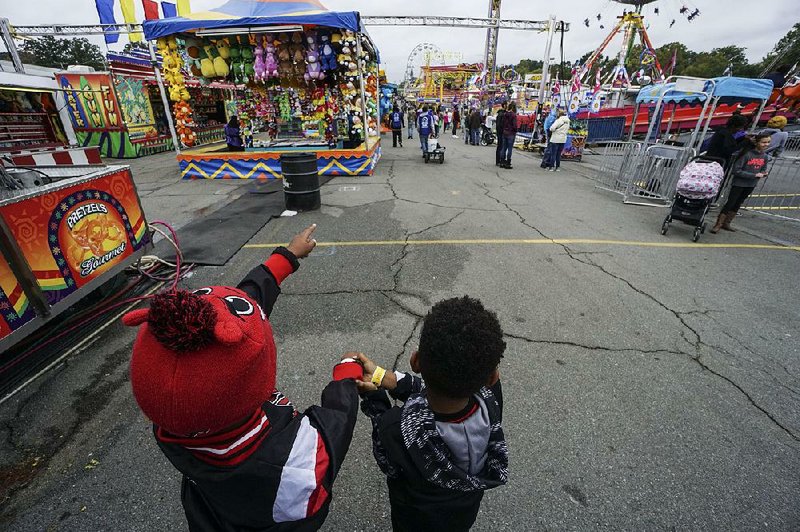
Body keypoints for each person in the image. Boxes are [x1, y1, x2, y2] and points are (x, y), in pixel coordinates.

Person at [124, 224, 365, 532]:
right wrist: (346, 373)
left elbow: (233, 314)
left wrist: (285, 258)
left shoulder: (173, 422)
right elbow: (336, 420)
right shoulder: (298, 455)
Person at [354, 296, 508, 532]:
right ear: (491, 378)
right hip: (464, 512)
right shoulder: (491, 400)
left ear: (415, 362)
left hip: (415, 518)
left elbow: (388, 463)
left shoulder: (395, 428)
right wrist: (382, 377)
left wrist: (374, 397)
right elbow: (438, 392)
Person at [711, 133, 772, 233]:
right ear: (757, 142)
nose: (766, 144)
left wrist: (764, 173)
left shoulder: (764, 156)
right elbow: (736, 170)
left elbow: (763, 168)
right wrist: (754, 175)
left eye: (768, 142)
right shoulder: (747, 154)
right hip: (739, 183)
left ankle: (727, 223)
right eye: (763, 142)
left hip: (751, 184)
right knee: (730, 203)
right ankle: (718, 224)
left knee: (738, 203)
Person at [499, 103, 517, 169]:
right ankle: (508, 163)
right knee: (509, 149)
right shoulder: (513, 115)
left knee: (504, 148)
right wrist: (515, 130)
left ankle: (502, 162)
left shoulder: (505, 114)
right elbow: (515, 125)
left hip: (505, 132)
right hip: (511, 133)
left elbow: (502, 123)